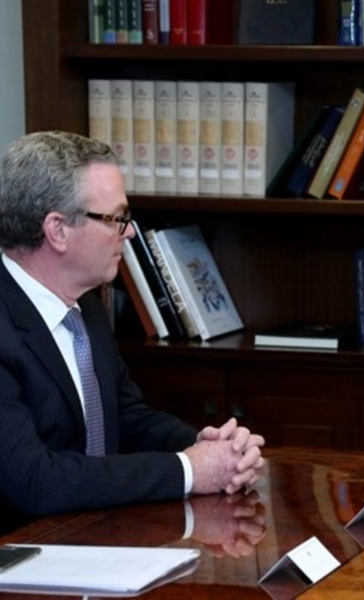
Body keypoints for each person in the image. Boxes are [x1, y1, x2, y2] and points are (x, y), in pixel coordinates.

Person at [0, 131, 265, 533]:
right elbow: (34, 481)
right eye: (116, 218)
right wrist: (188, 470)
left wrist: (210, 448)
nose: (128, 232)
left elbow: (127, 419)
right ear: (58, 230)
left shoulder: (87, 307)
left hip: (101, 535)